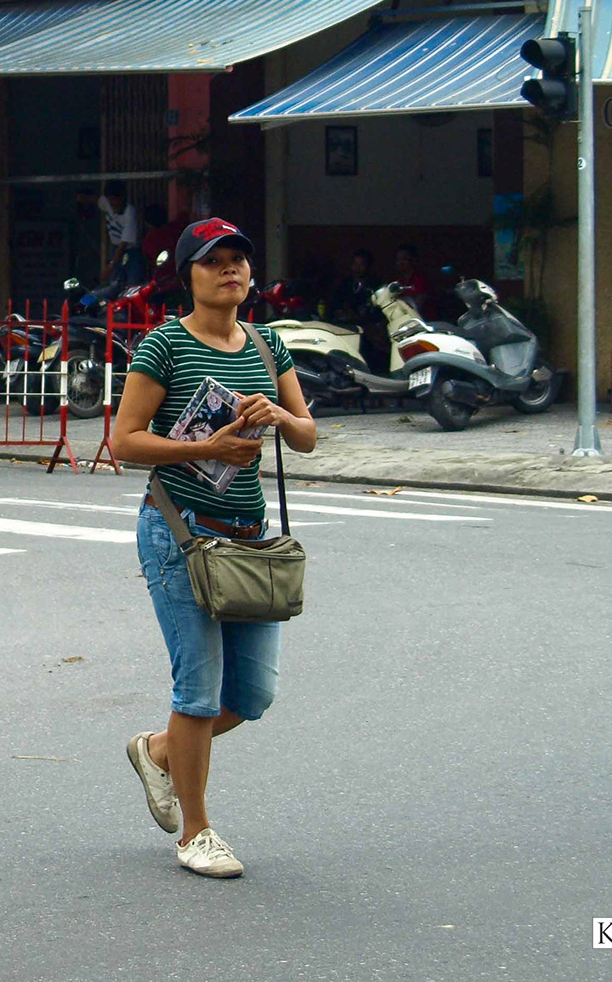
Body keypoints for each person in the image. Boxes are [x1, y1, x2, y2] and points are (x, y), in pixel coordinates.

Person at [111, 217, 316, 879]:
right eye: (214, 262)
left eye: (239, 261)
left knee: (250, 696)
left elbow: (308, 435)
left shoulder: (266, 345)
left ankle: (159, 751)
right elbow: (125, 441)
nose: (231, 271)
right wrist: (207, 447)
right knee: (197, 689)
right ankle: (196, 832)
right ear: (190, 277)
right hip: (180, 532)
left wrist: (281, 417)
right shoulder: (164, 346)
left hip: (247, 541)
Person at [98, 181, 144, 286]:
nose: (113, 205)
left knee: (133, 285)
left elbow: (123, 245)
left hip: (130, 251)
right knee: (115, 284)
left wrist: (109, 267)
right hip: (115, 248)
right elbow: (95, 199)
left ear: (122, 198)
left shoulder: (129, 212)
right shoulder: (105, 203)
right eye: (111, 201)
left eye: (115, 201)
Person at [330, 249, 381, 321]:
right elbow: (335, 304)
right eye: (355, 264)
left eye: (361, 264)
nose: (357, 268)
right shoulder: (346, 284)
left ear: (368, 266)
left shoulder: (375, 286)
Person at [141, 203, 184, 285]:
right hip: (179, 274)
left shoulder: (149, 240)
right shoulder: (176, 228)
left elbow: (149, 259)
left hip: (162, 279)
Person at [393, 242, 432, 316]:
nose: (400, 263)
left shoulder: (421, 279)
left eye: (404, 259)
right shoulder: (398, 282)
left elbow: (418, 305)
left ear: (413, 259)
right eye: (398, 259)